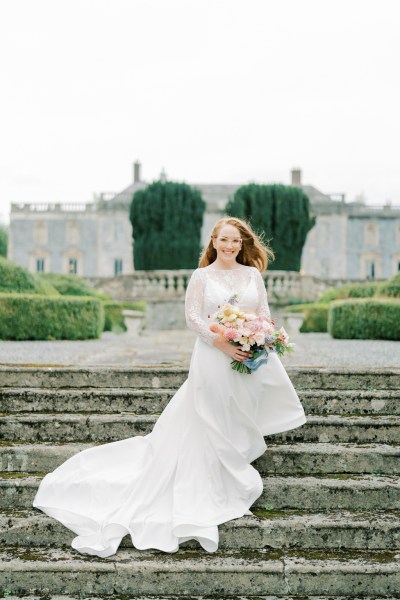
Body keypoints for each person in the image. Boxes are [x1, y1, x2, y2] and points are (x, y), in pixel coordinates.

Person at [33, 217, 306, 558]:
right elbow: (193, 317)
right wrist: (221, 342)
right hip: (213, 354)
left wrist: (258, 336)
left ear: (242, 244)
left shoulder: (252, 275)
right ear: (214, 241)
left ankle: (232, 460)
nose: (229, 246)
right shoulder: (201, 276)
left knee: (237, 409)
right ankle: (216, 476)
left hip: (245, 356)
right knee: (210, 410)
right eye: (224, 240)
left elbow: (263, 312)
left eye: (235, 241)